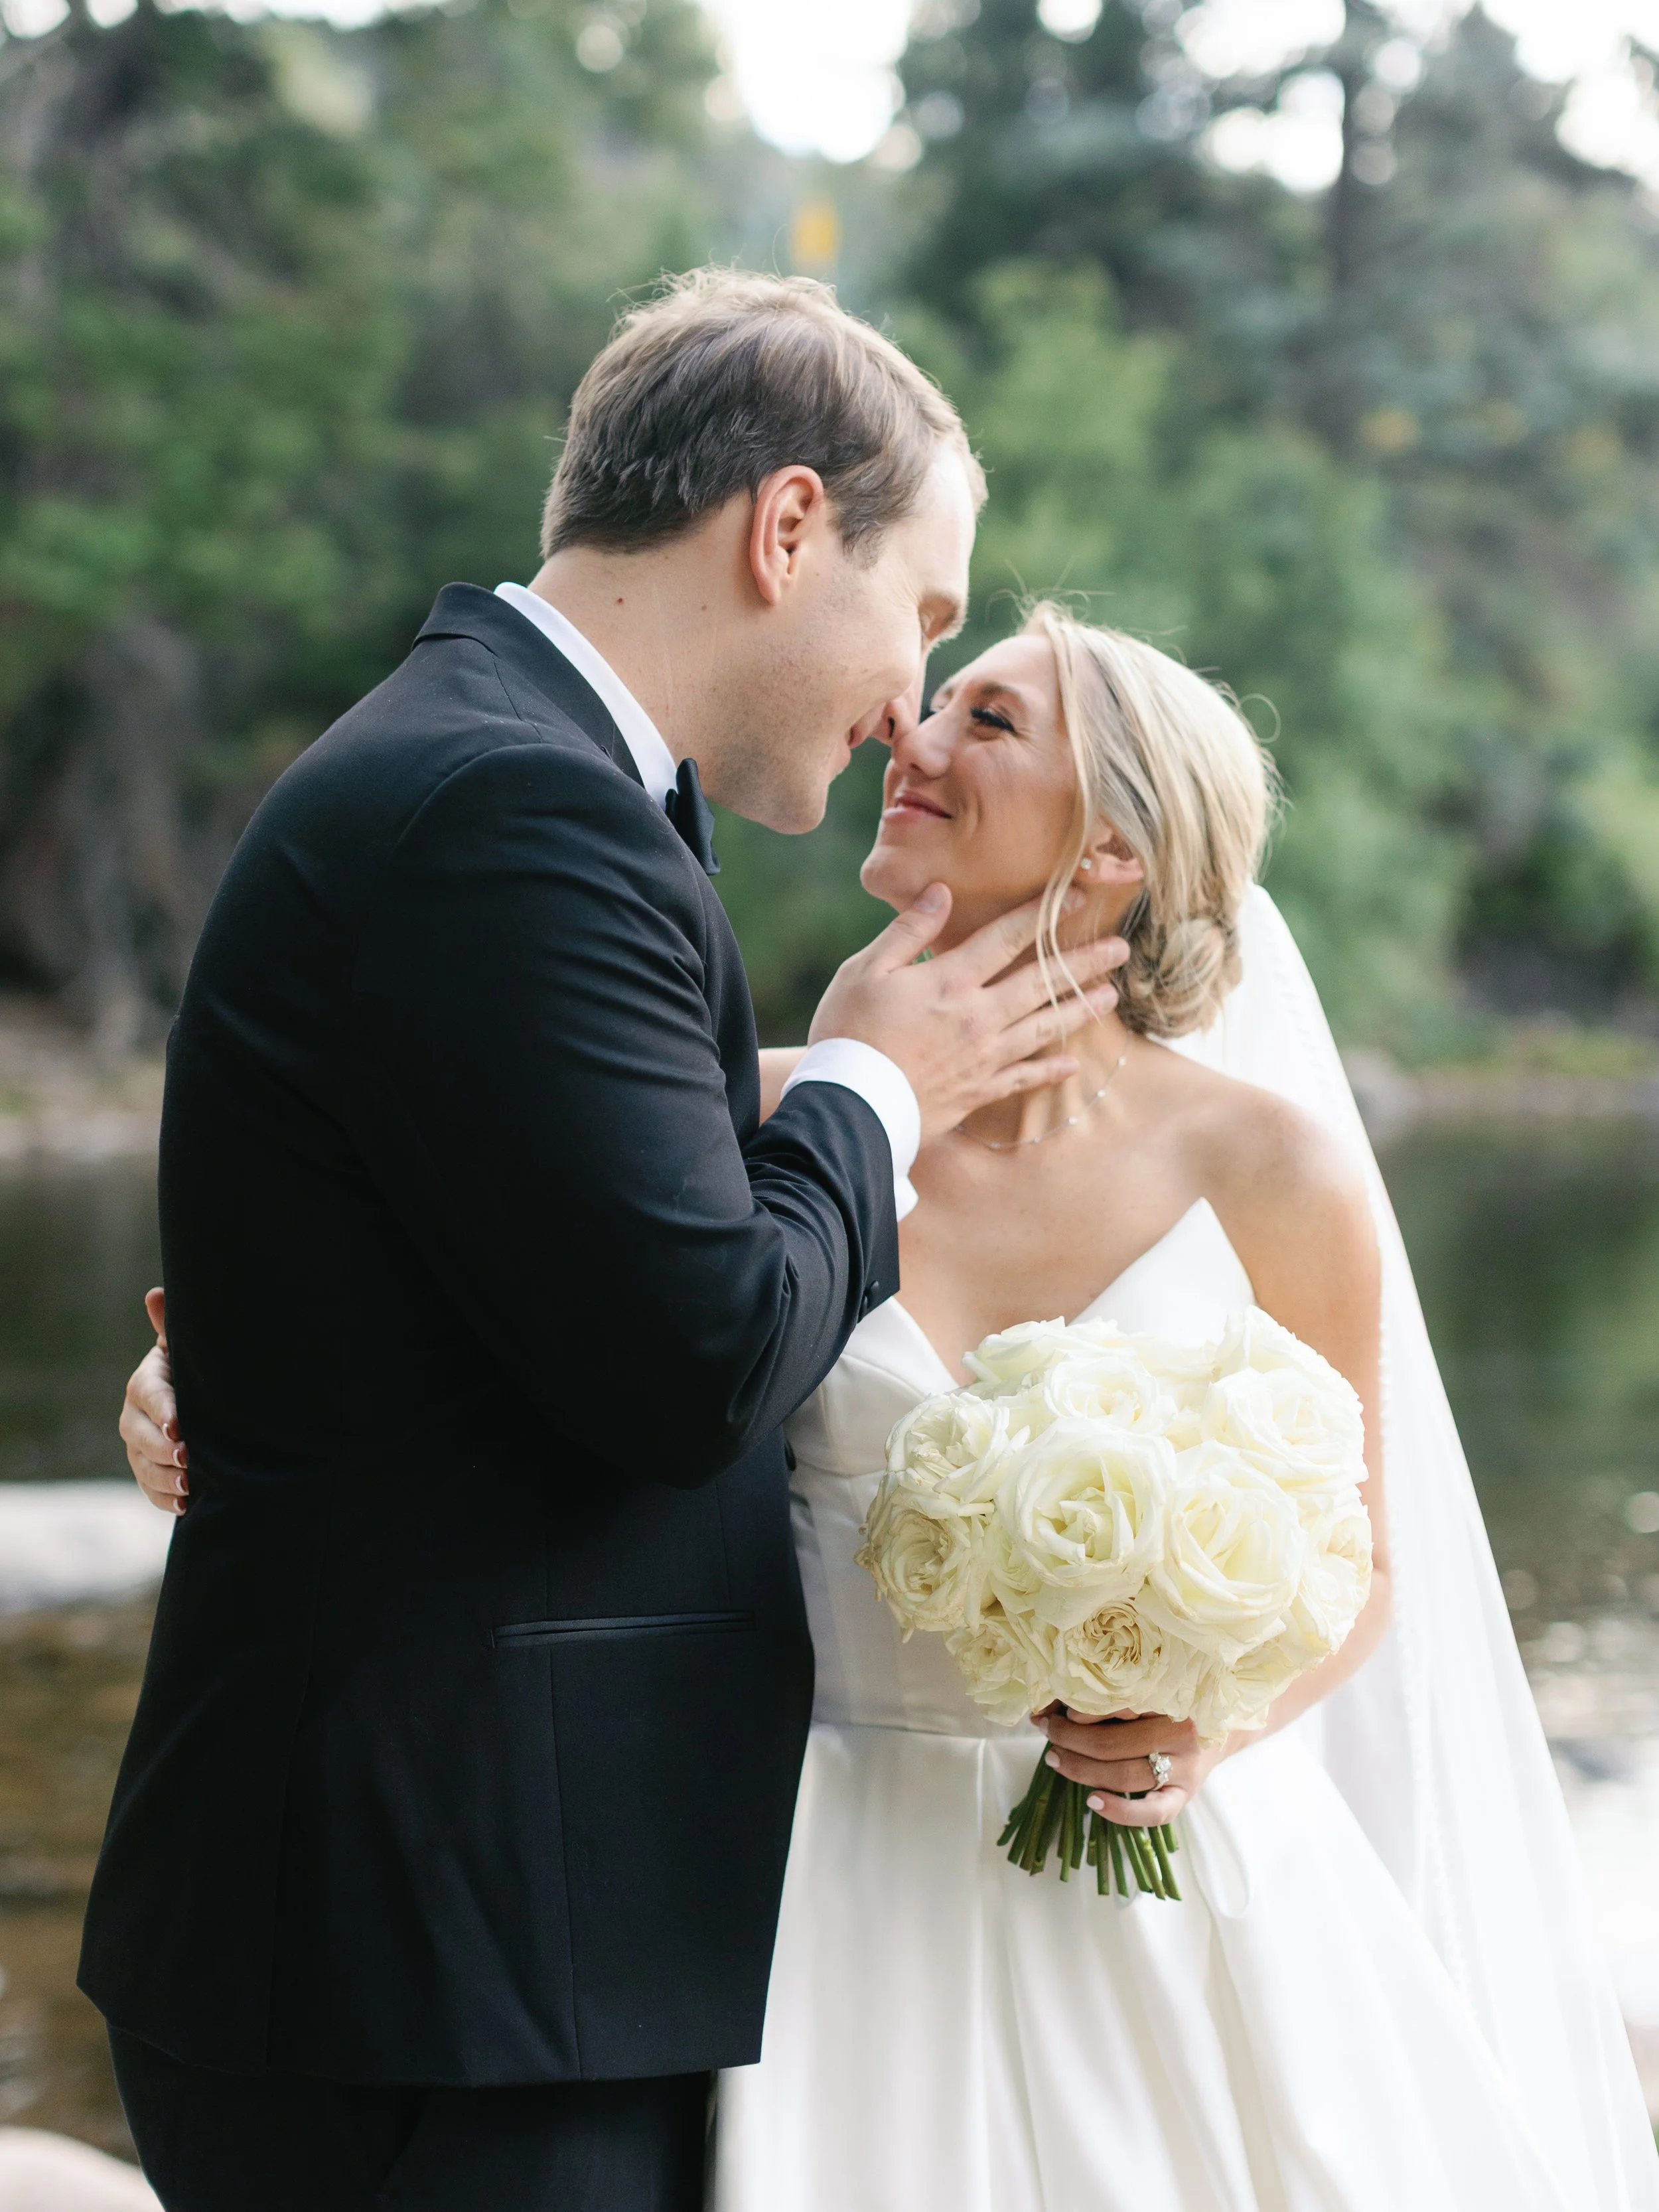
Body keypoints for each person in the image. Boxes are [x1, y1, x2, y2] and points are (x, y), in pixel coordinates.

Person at [128, 603, 1659, 2209]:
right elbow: (520, 1322)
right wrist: (198, 1375)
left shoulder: (1268, 1166)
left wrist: (1200, 1729)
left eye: (985, 720)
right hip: (815, 1884)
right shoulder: (776, 1112)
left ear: (1118, 847)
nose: (904, 735)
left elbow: (1362, 1564)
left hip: (1168, 1899)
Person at [82, 271, 1129, 2212]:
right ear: (786, 524)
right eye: (923, 615)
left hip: (475, 1936)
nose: (909, 696)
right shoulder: (515, 808)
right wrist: (874, 1091)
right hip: (448, 1956)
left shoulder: (523, 781)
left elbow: (477, 1222)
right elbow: (694, 1362)